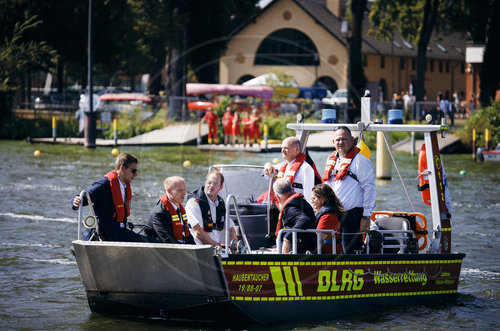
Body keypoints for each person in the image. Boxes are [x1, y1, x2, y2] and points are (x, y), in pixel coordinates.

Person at [71, 153, 156, 242]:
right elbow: (83, 197)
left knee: (154, 241)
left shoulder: (125, 186)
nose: (136, 175)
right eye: (133, 171)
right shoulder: (104, 185)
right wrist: (76, 201)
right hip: (104, 235)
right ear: (123, 168)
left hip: (119, 232)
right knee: (153, 243)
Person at [323, 126, 376, 254]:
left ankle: (356, 271)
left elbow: (369, 189)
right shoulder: (332, 160)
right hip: (333, 214)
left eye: (344, 139)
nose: (341, 142)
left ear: (352, 140)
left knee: (350, 250)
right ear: (333, 142)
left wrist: (366, 216)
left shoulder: (360, 161)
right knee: (329, 248)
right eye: (338, 140)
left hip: (352, 215)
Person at [263, 137, 321, 206]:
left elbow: (308, 195)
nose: (282, 150)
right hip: (281, 208)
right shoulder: (281, 166)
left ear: (296, 149)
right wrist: (267, 165)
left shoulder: (305, 168)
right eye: (282, 148)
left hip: (297, 208)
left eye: (286, 148)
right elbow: (267, 173)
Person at [185, 170, 238, 247]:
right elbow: (198, 233)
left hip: (216, 249)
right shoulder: (194, 202)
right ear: (205, 183)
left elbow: (231, 231)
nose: (211, 185)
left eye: (215, 183)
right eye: (209, 182)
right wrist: (218, 247)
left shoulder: (220, 204)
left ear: (221, 187)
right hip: (200, 249)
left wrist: (234, 248)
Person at [145, 176, 195, 244]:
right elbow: (168, 241)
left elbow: (187, 235)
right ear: (169, 191)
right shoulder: (160, 213)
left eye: (184, 189)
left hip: (181, 246)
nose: (184, 193)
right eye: (180, 190)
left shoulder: (179, 209)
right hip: (166, 251)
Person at [273, 178, 316, 254]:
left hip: (298, 252)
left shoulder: (291, 208)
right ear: (292, 189)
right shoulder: (302, 202)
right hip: (308, 248)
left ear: (277, 197)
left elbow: (303, 220)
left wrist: (287, 240)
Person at [311, 184, 344, 254]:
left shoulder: (328, 216)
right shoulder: (325, 213)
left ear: (323, 199)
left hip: (328, 255)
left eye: (314, 198)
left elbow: (321, 237)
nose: (312, 201)